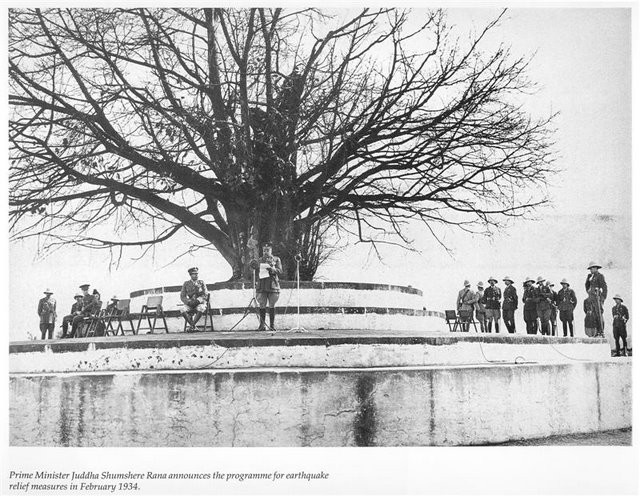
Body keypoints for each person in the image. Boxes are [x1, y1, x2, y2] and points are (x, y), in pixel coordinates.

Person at [251, 242, 283, 331]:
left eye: (267, 250)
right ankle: (262, 325)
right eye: (264, 250)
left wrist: (273, 269)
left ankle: (272, 326)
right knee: (262, 305)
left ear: (271, 250)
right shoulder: (259, 260)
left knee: (272, 305)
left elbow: (280, 271)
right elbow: (254, 270)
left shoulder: (276, 259)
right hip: (262, 285)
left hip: (272, 285)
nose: (266, 252)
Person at [180, 267, 209, 332]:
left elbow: (205, 294)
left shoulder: (201, 282)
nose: (196, 275)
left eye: (197, 274)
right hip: (190, 303)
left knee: (201, 308)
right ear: (190, 275)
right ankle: (193, 326)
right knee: (182, 309)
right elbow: (182, 296)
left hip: (199, 303)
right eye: (194, 274)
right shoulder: (186, 283)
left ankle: (191, 326)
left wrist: (198, 300)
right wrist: (188, 302)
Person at [585, 261, 607, 337]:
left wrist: (602, 298)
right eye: (590, 269)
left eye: (592, 268)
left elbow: (604, 287)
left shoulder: (600, 276)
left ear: (596, 268)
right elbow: (587, 287)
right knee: (593, 316)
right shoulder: (591, 277)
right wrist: (588, 280)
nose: (590, 270)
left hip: (597, 298)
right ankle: (596, 332)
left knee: (599, 315)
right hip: (591, 299)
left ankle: (601, 331)